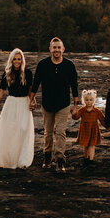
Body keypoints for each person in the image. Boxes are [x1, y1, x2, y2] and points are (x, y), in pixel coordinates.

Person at [29, 37, 79, 173]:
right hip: (47, 104)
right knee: (48, 133)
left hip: (63, 104)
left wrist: (75, 106)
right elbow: (36, 83)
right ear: (50, 49)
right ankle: (47, 157)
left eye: (59, 47)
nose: (56, 50)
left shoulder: (69, 65)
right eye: (54, 47)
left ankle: (60, 160)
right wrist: (31, 99)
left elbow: (74, 86)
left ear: (63, 49)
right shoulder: (43, 64)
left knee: (61, 132)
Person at [0, 48, 35, 169]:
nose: (17, 61)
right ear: (11, 60)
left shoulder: (27, 73)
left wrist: (32, 100)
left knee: (23, 130)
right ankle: (9, 159)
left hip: (24, 103)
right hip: (11, 103)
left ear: (22, 60)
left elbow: (30, 90)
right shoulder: (7, 73)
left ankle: (22, 160)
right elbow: (0, 92)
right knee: (10, 131)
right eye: (15, 59)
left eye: (19, 59)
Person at [71, 89, 106, 166]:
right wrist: (73, 113)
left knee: (92, 145)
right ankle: (86, 158)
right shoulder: (82, 110)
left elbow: (102, 120)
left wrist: (108, 126)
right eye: (87, 100)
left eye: (91, 100)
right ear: (84, 100)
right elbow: (76, 117)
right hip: (84, 130)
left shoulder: (97, 111)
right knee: (85, 145)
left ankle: (91, 159)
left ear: (94, 100)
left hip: (93, 129)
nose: (89, 102)